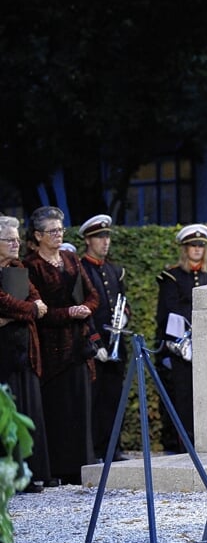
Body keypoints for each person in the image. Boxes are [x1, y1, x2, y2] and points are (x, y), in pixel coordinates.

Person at [24, 206, 99, 484]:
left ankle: (83, 464)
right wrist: (67, 313)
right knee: (57, 408)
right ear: (38, 235)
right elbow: (38, 310)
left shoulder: (70, 258)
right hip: (51, 347)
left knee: (80, 404)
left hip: (78, 345)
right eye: (52, 231)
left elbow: (92, 294)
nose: (58, 235)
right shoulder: (31, 266)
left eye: (60, 230)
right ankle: (59, 467)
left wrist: (85, 309)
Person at [0, 216, 52, 491]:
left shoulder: (20, 268)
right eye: (9, 240)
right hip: (2, 355)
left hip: (24, 351)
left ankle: (27, 474)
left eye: (17, 239)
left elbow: (34, 298)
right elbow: (4, 300)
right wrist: (29, 311)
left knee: (26, 411)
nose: (15, 244)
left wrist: (19, 314)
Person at [77, 215, 129, 462]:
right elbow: (83, 309)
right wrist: (95, 341)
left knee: (114, 397)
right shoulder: (82, 268)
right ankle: (95, 448)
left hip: (115, 341)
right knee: (95, 398)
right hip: (94, 343)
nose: (105, 242)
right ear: (88, 240)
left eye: (107, 236)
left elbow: (123, 303)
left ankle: (113, 447)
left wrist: (124, 319)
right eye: (99, 237)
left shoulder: (115, 269)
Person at [155, 224, 207, 451]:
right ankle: (176, 446)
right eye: (192, 246)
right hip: (179, 348)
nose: (197, 250)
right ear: (185, 249)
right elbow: (168, 312)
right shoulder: (172, 276)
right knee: (180, 398)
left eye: (201, 246)